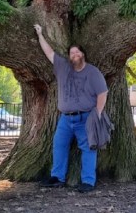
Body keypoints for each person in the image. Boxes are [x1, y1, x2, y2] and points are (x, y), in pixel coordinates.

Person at [34, 24, 108, 193]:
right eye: (72, 53)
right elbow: (49, 53)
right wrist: (40, 35)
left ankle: (88, 181)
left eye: (77, 52)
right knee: (58, 145)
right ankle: (57, 178)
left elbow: (102, 93)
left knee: (88, 148)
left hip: (86, 117)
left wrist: (97, 113)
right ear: (69, 57)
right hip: (65, 118)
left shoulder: (93, 72)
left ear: (83, 55)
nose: (75, 55)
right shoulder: (63, 67)